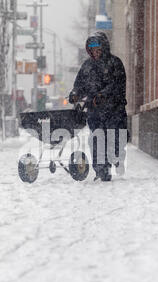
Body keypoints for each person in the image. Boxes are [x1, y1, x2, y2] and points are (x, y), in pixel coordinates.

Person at [69, 32, 128, 182]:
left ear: (104, 48)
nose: (95, 53)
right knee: (96, 139)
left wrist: (103, 96)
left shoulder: (115, 63)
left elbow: (117, 85)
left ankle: (115, 159)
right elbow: (79, 84)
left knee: (113, 140)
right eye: (92, 49)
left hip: (114, 111)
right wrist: (75, 94)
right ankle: (101, 169)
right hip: (95, 112)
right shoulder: (87, 66)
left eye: (98, 49)